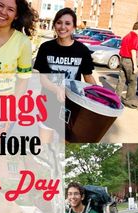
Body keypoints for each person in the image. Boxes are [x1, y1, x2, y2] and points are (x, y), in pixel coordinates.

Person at [33, 8, 96, 143]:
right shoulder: (46, 48)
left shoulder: (82, 51)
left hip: (71, 108)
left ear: (73, 27)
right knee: (44, 147)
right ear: (55, 24)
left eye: (67, 23)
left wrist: (98, 99)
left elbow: (88, 78)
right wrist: (57, 89)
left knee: (64, 151)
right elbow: (42, 78)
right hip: (47, 105)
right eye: (59, 23)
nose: (63, 27)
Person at [116, 21, 138, 109]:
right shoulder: (135, 37)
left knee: (121, 81)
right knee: (133, 82)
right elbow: (133, 51)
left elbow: (121, 48)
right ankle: (128, 101)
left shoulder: (126, 36)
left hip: (122, 59)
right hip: (129, 61)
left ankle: (116, 98)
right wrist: (135, 65)